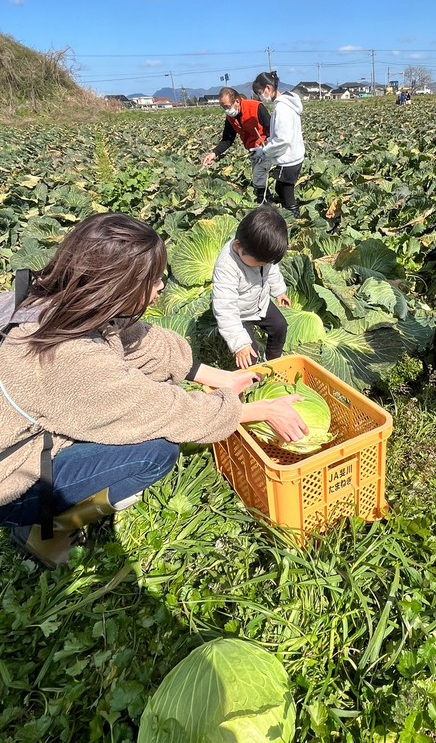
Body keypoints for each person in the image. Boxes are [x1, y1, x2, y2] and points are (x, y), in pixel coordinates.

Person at [0, 213, 306, 568]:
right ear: (116, 287)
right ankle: (44, 531)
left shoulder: (55, 299)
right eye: (153, 279)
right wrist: (257, 411)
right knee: (156, 452)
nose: (161, 286)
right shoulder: (67, 360)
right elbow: (163, 412)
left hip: (24, 425)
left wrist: (214, 376)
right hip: (11, 478)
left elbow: (137, 342)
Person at [212, 206, 291, 370]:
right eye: (259, 263)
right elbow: (225, 308)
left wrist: (279, 291)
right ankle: (251, 384)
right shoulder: (226, 267)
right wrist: (239, 344)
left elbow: (272, 271)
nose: (263, 266)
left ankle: (272, 361)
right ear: (237, 246)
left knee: (280, 327)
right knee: (249, 356)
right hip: (240, 314)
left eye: (266, 263)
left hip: (260, 303)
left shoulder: (260, 252)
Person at [249, 71, 305, 215]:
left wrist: (264, 152)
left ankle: (295, 223)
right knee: (281, 189)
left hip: (288, 160)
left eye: (260, 92)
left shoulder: (282, 109)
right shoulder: (289, 103)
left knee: (287, 197)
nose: (260, 96)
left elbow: (282, 140)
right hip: (295, 156)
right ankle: (291, 220)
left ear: (268, 88)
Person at [200, 87, 271, 181]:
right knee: (259, 184)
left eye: (227, 106)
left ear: (237, 101)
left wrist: (267, 144)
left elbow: (272, 128)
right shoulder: (230, 117)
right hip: (254, 153)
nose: (226, 110)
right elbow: (228, 139)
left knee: (267, 183)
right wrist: (214, 153)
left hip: (268, 151)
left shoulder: (256, 107)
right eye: (223, 107)